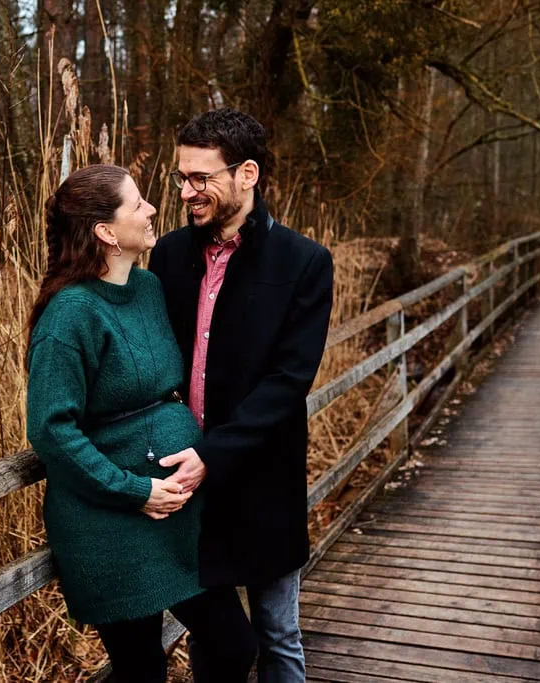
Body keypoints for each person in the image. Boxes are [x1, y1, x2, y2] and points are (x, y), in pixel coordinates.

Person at [25, 164, 257, 683]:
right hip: (112, 522)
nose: (153, 209)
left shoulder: (149, 289)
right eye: (137, 204)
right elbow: (51, 430)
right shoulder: (69, 316)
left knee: (234, 644)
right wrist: (134, 490)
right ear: (107, 232)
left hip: (179, 516)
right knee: (142, 669)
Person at [148, 109, 334, 683]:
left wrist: (215, 453)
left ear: (247, 173)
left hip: (262, 479)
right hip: (187, 480)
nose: (187, 191)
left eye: (201, 178)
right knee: (216, 637)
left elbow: (288, 382)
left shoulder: (303, 262)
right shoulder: (170, 255)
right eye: (182, 178)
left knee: (277, 635)